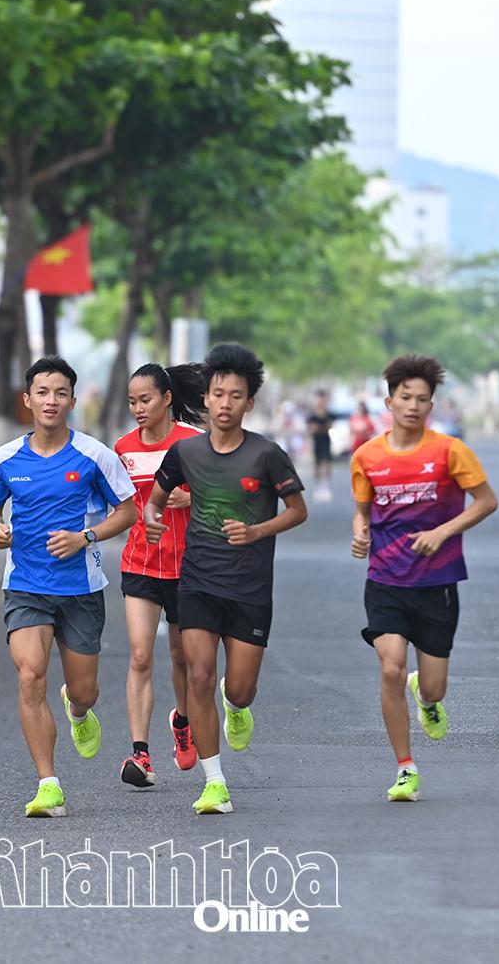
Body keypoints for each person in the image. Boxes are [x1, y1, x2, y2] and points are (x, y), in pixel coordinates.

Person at [146, 343, 308, 814]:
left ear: (248, 403)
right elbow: (156, 499)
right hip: (197, 581)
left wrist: (257, 530)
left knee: (238, 688)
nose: (224, 403)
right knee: (198, 674)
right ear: (208, 397)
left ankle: (236, 708)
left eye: (235, 396)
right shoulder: (186, 452)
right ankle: (213, 781)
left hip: (250, 588)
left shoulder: (267, 455)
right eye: (217, 393)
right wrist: (154, 517)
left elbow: (298, 511)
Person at [0, 356, 138, 818]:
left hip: (81, 588)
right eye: (42, 393)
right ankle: (48, 784)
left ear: (72, 400)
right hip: (26, 584)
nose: (51, 401)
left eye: (60, 393)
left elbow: (127, 511)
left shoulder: (94, 456)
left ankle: (77, 708)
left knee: (84, 689)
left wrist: (85, 537)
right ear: (28, 399)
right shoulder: (6, 459)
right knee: (30, 674)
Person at [350, 356, 498, 802]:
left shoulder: (450, 451)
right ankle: (404, 768)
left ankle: (426, 697)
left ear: (431, 404)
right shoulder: (367, 456)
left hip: (437, 584)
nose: (413, 406)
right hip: (386, 580)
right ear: (389, 400)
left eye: (421, 399)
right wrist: (360, 533)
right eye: (405, 398)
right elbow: (363, 509)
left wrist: (441, 532)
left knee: (433, 685)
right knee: (391, 665)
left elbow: (487, 501)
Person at [113, 363, 206, 787]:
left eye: (145, 399)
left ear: (167, 398)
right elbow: (122, 505)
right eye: (132, 401)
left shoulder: (193, 443)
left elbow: (220, 499)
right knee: (139, 655)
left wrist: (192, 498)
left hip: (189, 567)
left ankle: (183, 721)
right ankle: (140, 755)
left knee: (183, 659)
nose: (138, 408)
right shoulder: (122, 448)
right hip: (141, 563)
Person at [305, 390, 335, 503]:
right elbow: (310, 429)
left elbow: (330, 426)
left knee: (326, 463)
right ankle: (318, 488)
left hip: (326, 441)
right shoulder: (312, 414)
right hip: (316, 441)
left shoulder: (328, 413)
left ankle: (325, 487)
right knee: (317, 464)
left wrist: (320, 428)